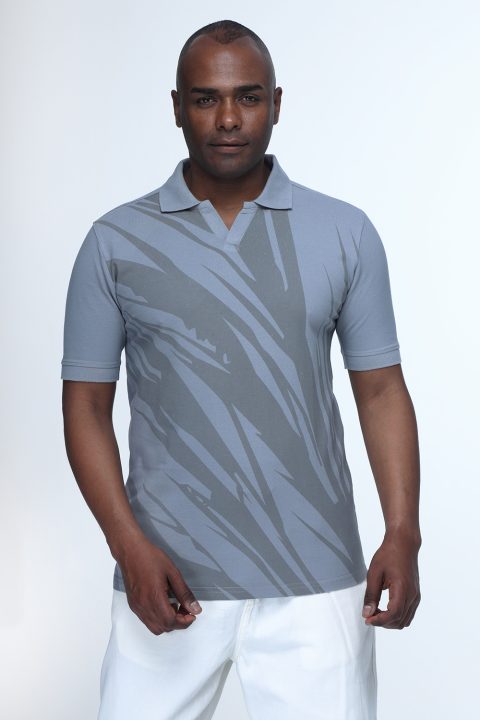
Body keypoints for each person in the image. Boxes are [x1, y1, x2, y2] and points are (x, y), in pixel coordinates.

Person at [61, 18, 422, 720]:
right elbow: (85, 409)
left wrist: (403, 530)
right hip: (166, 578)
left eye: (248, 97)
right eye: (206, 99)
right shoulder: (115, 242)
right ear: (177, 107)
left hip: (318, 583)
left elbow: (381, 391)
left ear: (276, 103)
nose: (228, 118)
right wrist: (128, 546)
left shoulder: (344, 232)